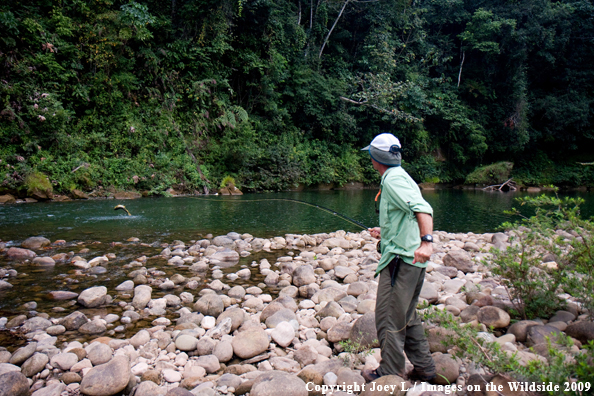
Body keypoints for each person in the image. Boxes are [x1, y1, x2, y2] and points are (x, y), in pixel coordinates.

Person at [361, 133, 436, 383]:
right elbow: (406, 214)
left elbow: (423, 208)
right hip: (410, 261)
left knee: (388, 317)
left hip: (401, 263)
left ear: (376, 157)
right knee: (406, 315)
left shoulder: (392, 180)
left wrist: (427, 242)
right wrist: (385, 231)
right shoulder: (399, 176)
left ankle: (389, 373)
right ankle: (425, 368)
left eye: (370, 154)